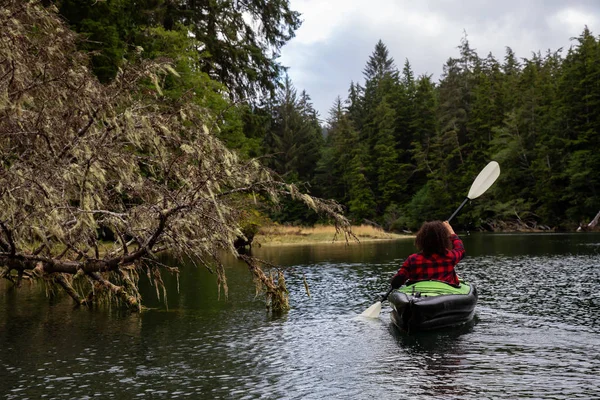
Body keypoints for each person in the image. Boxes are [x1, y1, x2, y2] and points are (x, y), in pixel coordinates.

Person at [390, 220, 464, 289]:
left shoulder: (413, 259)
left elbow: (396, 283)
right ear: (444, 240)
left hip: (418, 296)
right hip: (444, 294)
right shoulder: (450, 257)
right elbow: (460, 249)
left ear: (421, 239)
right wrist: (452, 232)